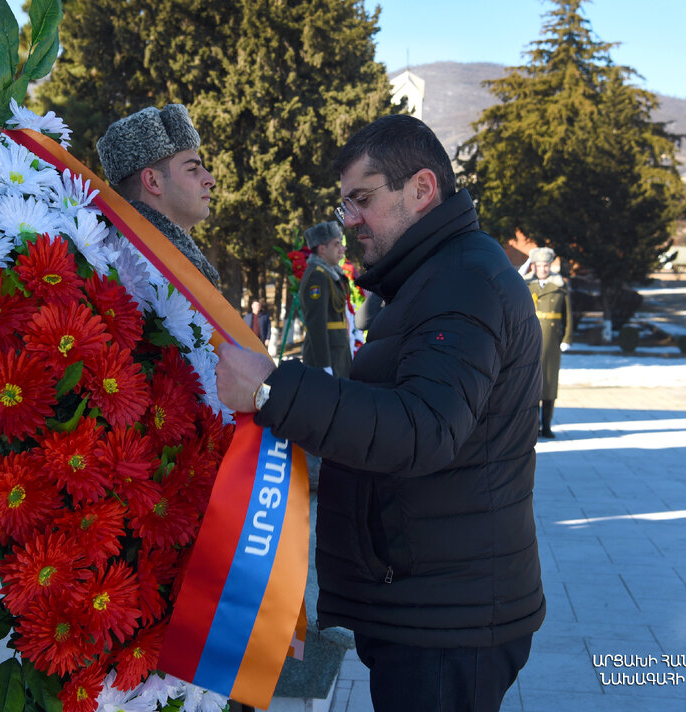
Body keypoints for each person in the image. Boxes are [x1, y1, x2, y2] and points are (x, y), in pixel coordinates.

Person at [214, 114, 544, 712]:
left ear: (422, 190)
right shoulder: (436, 275)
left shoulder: (463, 281)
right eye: (345, 204)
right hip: (432, 606)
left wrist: (274, 392)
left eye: (363, 199)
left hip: (446, 622)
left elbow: (424, 428)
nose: (351, 219)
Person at [96, 103, 219, 286]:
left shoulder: (148, 257)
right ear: (153, 182)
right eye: (192, 169)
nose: (210, 179)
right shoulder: (148, 273)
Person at [519, 247, 573, 437]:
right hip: (529, 342)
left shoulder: (559, 286)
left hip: (551, 342)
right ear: (533, 266)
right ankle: (531, 427)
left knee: (549, 385)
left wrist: (566, 338)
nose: (543, 269)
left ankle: (547, 425)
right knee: (530, 386)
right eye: (539, 265)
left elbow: (568, 315)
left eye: (546, 265)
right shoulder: (525, 284)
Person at [298, 221, 353, 378]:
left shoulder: (330, 274)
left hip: (337, 354)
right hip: (328, 358)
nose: (342, 249)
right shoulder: (317, 276)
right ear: (322, 249)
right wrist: (324, 366)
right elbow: (316, 324)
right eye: (336, 244)